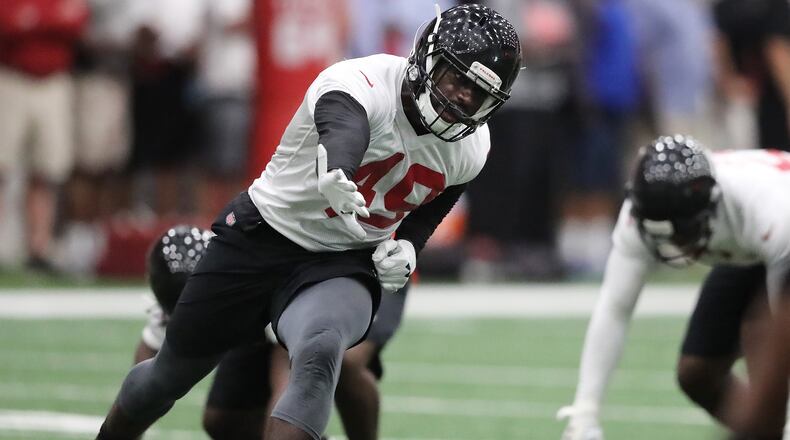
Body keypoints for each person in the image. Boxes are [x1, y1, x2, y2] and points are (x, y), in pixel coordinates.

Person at [95, 4, 522, 440]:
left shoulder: (472, 145)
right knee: (169, 381)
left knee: (319, 354)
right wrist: (339, 168)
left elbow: (442, 195)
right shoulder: (363, 80)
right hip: (262, 235)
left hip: (342, 260)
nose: (464, 99)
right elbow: (344, 120)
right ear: (427, 59)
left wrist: (412, 242)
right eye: (457, 79)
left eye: (478, 93)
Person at [558, 135, 790, 439]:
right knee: (697, 375)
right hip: (751, 247)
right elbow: (614, 308)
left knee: (762, 341)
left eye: (681, 233)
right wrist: (585, 413)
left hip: (778, 239)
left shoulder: (770, 208)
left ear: (712, 203)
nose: (671, 245)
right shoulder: (642, 211)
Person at [135, 225, 409, 440]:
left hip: (367, 265)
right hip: (299, 265)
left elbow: (289, 385)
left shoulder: (250, 285)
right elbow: (150, 355)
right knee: (223, 421)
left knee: (343, 361)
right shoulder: (198, 290)